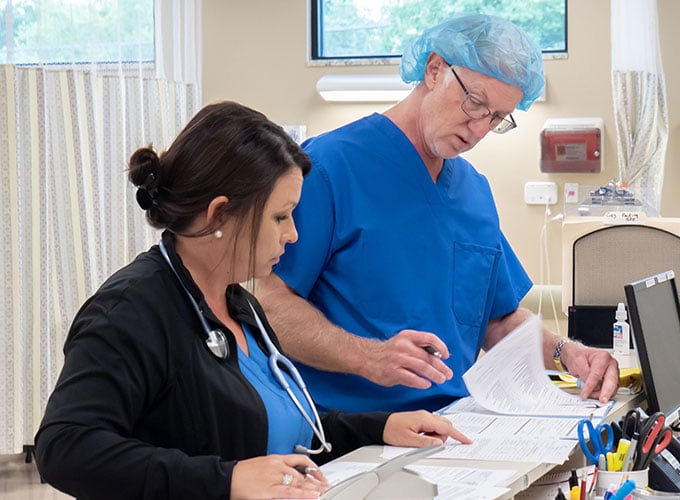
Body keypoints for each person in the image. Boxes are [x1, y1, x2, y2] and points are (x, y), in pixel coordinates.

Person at [33, 101, 471, 500]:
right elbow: (65, 446)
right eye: (280, 216)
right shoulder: (133, 310)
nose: (293, 234)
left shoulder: (241, 306)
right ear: (220, 214)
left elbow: (292, 423)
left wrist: (381, 426)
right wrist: (227, 480)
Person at [255, 14, 620, 414]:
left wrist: (567, 352)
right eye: (475, 102)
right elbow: (271, 303)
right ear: (434, 70)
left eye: (496, 118)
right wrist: (368, 356)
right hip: (347, 432)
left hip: (451, 425)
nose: (479, 128)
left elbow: (497, 320)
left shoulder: (473, 192)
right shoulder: (328, 168)